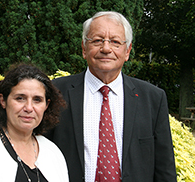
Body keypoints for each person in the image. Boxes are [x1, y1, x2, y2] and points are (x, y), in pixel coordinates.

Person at [46, 11, 177, 181]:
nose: (106, 49)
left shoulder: (152, 98)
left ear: (127, 51)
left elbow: (164, 166)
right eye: (97, 40)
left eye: (115, 42)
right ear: (84, 49)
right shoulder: (56, 92)